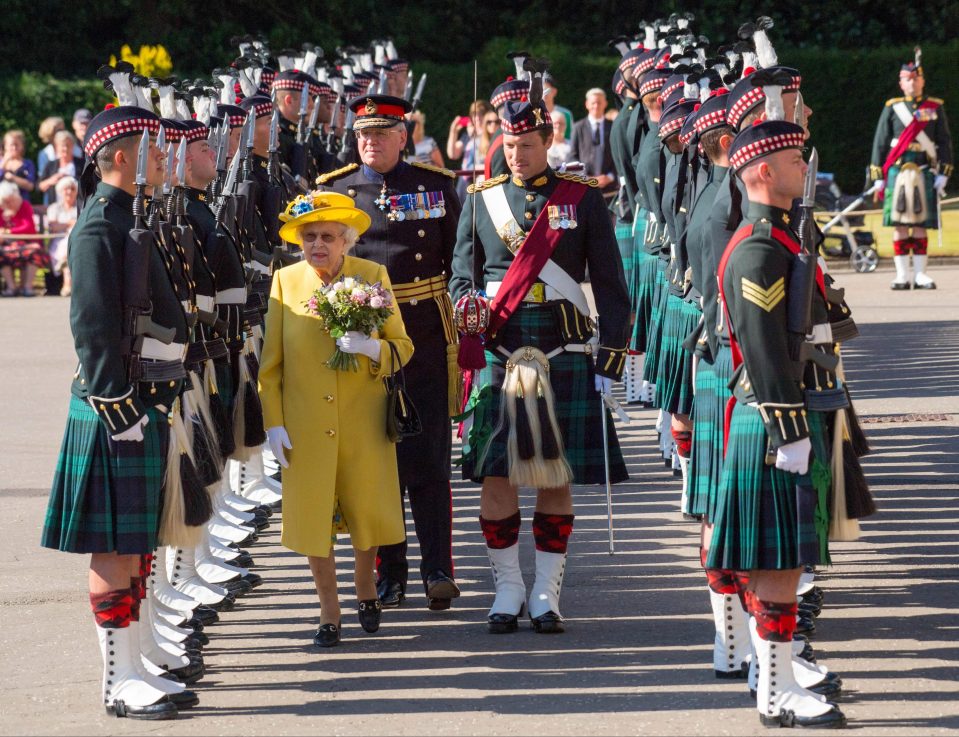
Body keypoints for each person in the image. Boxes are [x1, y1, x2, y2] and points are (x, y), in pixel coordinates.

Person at [450, 64, 630, 635]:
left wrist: (614, 354)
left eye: (526, 145)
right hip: (500, 351)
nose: (516, 156)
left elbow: (611, 282)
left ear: (548, 140)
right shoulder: (482, 200)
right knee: (496, 477)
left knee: (556, 476)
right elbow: (460, 274)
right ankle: (507, 586)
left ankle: (547, 591)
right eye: (508, 145)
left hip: (564, 349)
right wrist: (467, 309)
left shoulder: (581, 199)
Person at [40, 106, 191, 720]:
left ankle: (135, 661)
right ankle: (117, 682)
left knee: (136, 544)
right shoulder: (98, 227)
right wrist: (117, 407)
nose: (162, 158)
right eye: (152, 149)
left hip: (143, 397)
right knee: (113, 547)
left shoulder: (130, 216)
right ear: (122, 157)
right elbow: (93, 330)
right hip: (116, 404)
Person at [707, 112, 846, 729]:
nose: (803, 168)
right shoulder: (759, 249)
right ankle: (777, 690)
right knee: (781, 564)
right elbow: (763, 344)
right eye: (794, 161)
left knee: (781, 563)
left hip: (777, 415)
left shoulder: (781, 238)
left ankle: (777, 681)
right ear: (763, 171)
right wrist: (791, 433)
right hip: (772, 421)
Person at [316, 94, 464, 612]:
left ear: (404, 136)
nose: (369, 143)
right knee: (376, 461)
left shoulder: (435, 186)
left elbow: (456, 260)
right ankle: (390, 573)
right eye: (362, 135)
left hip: (422, 328)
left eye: (380, 134)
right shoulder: (336, 191)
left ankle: (438, 568)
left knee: (428, 455)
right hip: (364, 329)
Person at [258, 191, 414, 647]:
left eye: (328, 237)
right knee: (313, 520)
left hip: (363, 420)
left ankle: (365, 587)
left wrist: (372, 349)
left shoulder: (373, 276)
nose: (318, 245)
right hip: (305, 424)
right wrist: (273, 422)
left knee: (365, 511)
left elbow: (402, 346)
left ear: (347, 241)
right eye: (310, 237)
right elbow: (271, 365)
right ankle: (329, 609)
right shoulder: (285, 282)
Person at [869, 48, 952, 289]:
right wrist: (878, 176)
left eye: (916, 78)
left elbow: (944, 141)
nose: (913, 82)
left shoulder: (934, 107)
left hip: (924, 170)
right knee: (899, 224)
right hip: (897, 171)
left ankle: (920, 274)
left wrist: (944, 174)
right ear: (901, 82)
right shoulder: (892, 107)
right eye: (908, 79)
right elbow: (880, 142)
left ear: (922, 81)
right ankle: (902, 275)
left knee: (920, 224)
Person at [567, 88, 616, 200]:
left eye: (599, 102)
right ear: (587, 104)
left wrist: (610, 177)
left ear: (605, 104)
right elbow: (572, 157)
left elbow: (619, 155)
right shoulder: (578, 127)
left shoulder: (613, 127)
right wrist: (586, 177)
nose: (596, 106)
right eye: (593, 102)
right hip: (585, 187)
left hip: (610, 189)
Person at [0, 180, 41, 296]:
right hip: (6, 245)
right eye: (5, 202)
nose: (9, 204)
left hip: (26, 243)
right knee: (1, 254)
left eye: (11, 200)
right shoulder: (1, 208)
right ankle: (11, 287)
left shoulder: (24, 206)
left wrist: (8, 231)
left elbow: (28, 228)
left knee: (34, 252)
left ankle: (27, 287)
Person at [447, 99, 494, 199]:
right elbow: (453, 154)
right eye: (474, 114)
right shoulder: (468, 135)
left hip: (482, 180)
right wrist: (453, 131)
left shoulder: (492, 135)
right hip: (465, 181)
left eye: (481, 114)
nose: (477, 118)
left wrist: (479, 136)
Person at [45, 175, 78, 296]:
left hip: (77, 241)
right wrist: (70, 223)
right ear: (60, 191)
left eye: (72, 189)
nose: (69, 191)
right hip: (57, 242)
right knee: (67, 247)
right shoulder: (54, 208)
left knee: (71, 245)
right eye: (66, 189)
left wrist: (64, 225)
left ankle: (67, 285)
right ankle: (67, 284)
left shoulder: (80, 207)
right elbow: (54, 227)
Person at [38, 131, 85, 205]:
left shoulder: (81, 164)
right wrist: (51, 180)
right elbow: (39, 186)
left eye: (68, 145)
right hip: (55, 207)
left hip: (78, 206)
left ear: (73, 146)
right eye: (62, 146)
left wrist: (70, 179)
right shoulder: (50, 165)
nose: (65, 148)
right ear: (57, 147)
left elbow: (88, 184)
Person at [2, 130, 36, 198]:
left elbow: (30, 186)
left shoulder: (28, 164)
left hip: (22, 202)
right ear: (5, 146)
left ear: (22, 146)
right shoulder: (1, 163)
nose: (14, 148)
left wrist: (13, 178)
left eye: (17, 145)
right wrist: (4, 163)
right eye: (11, 145)